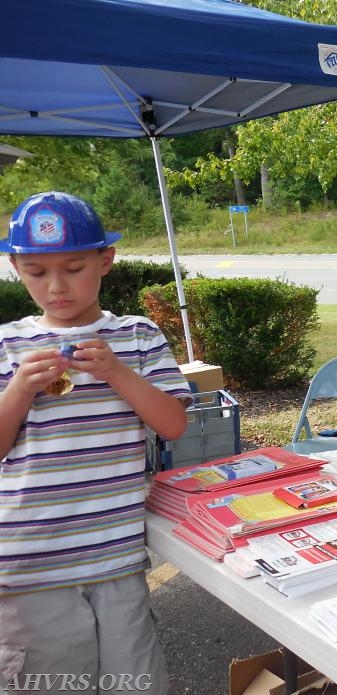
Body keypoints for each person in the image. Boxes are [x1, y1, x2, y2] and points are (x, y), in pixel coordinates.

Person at [0, 192, 192, 693]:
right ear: (15, 267)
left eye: (74, 267)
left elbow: (172, 425)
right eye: (36, 273)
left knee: (136, 682)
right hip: (29, 563)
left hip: (116, 555)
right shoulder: (6, 345)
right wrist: (19, 388)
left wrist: (116, 372)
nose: (57, 286)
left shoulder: (138, 336)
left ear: (105, 260)